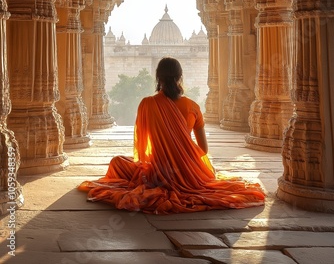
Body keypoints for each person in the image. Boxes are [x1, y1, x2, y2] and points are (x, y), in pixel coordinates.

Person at [78, 57, 265, 214]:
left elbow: (143, 150)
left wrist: (166, 157)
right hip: (194, 173)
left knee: (117, 162)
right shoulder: (193, 107)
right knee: (207, 177)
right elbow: (203, 150)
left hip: (160, 172)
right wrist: (184, 158)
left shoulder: (148, 104)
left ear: (158, 77)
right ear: (180, 77)